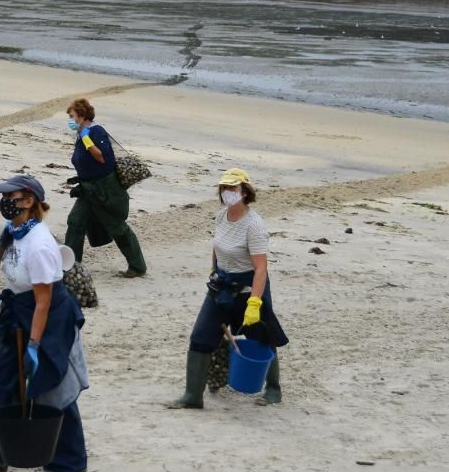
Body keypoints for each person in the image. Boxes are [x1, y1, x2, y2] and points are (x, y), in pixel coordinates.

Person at [0, 175, 89, 472]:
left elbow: (43, 302)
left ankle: (69, 462)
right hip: (19, 309)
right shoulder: (13, 231)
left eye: (11, 196)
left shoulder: (40, 245)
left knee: (50, 386)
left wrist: (34, 344)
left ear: (29, 201)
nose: (5, 202)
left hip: (48, 316)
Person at [169, 168, 289, 409]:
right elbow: (217, 245)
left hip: (248, 290)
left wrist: (255, 303)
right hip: (221, 287)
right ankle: (193, 395)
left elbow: (261, 268)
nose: (227, 193)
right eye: (224, 188)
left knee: (262, 339)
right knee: (201, 337)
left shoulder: (254, 225)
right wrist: (214, 269)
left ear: (245, 192)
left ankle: (274, 389)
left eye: (233, 188)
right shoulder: (221, 216)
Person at [63, 98, 148, 278]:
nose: (69, 120)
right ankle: (71, 267)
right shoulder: (82, 133)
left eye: (71, 116)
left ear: (82, 115)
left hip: (106, 192)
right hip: (88, 190)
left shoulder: (96, 132)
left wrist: (86, 138)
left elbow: (102, 158)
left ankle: (138, 266)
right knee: (75, 222)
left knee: (117, 227)